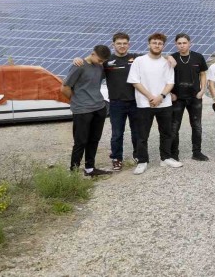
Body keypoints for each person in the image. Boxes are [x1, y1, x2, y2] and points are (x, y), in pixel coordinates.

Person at [71, 32, 176, 172]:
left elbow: (155, 55)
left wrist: (170, 57)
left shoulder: (137, 58)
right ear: (113, 45)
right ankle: (116, 158)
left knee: (137, 132)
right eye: (119, 43)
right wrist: (80, 59)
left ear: (129, 44)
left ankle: (138, 156)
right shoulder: (107, 61)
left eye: (125, 43)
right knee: (117, 133)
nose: (122, 46)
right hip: (116, 103)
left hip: (135, 102)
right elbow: (92, 63)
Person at [127, 32, 183, 175]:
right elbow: (135, 81)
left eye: (160, 43)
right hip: (144, 104)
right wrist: (151, 97)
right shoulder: (139, 61)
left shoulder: (167, 62)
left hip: (164, 103)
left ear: (163, 46)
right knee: (142, 135)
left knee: (166, 132)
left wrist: (161, 96)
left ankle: (166, 158)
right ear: (149, 44)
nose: (157, 45)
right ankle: (142, 161)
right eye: (154, 43)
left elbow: (170, 82)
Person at [61, 45, 112, 177]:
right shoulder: (79, 66)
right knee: (80, 141)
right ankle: (74, 173)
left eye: (103, 61)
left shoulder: (100, 66)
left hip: (99, 108)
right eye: (100, 60)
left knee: (94, 139)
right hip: (82, 110)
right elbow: (65, 88)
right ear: (93, 54)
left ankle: (90, 169)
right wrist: (77, 100)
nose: (101, 63)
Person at [170, 33, 209, 162]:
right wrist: (170, 93)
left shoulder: (198, 57)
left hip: (195, 97)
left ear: (189, 43)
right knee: (175, 126)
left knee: (197, 125)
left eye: (184, 43)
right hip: (177, 98)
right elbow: (165, 76)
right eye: (179, 43)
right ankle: (174, 154)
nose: (182, 45)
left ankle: (197, 152)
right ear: (176, 44)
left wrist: (202, 90)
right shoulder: (172, 58)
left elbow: (203, 74)